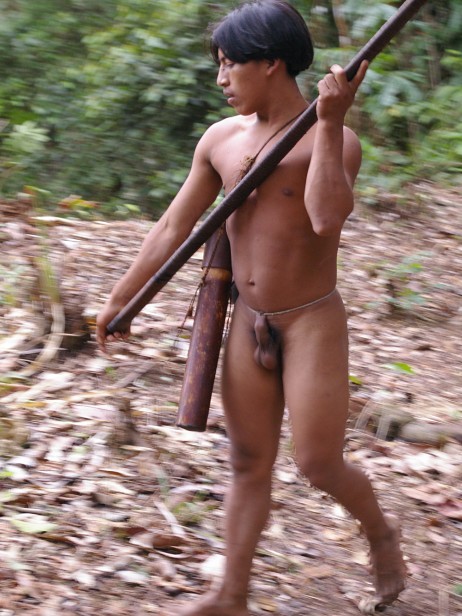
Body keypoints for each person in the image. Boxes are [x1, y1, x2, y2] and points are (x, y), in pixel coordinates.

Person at [96, 1, 406, 614]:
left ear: (270, 63)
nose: (220, 79)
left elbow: (325, 217)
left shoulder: (335, 140)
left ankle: (381, 534)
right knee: (246, 460)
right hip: (249, 324)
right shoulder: (219, 141)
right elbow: (173, 225)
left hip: (312, 320)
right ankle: (230, 594)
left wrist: (328, 122)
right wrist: (120, 296)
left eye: (229, 64)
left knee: (317, 463)